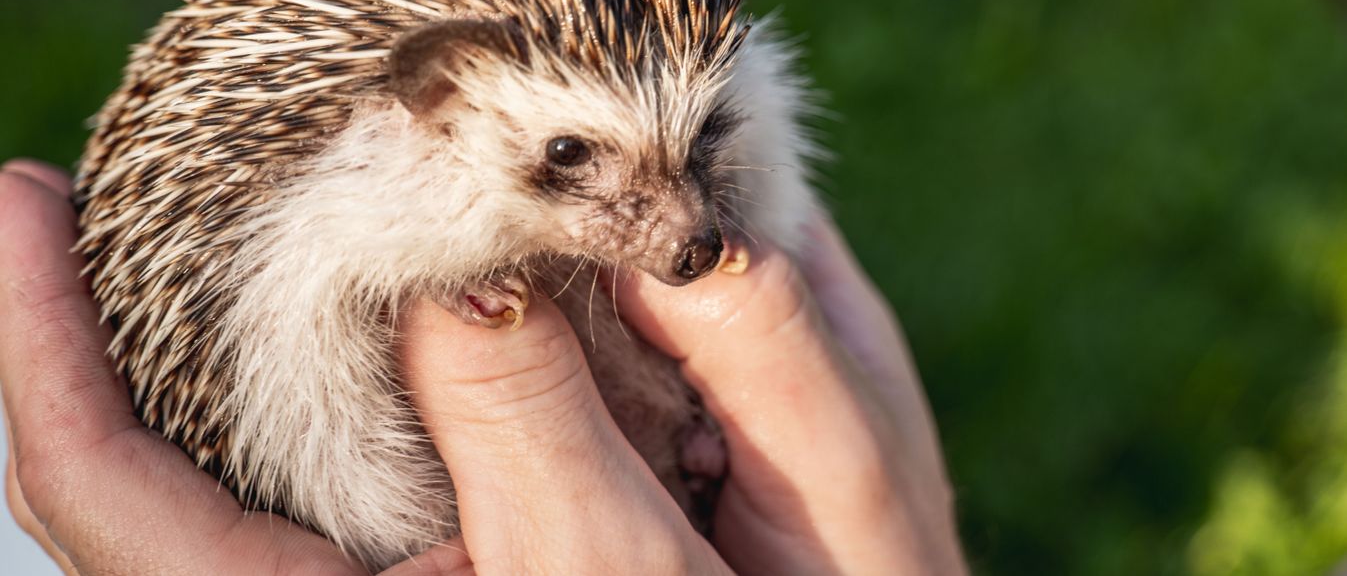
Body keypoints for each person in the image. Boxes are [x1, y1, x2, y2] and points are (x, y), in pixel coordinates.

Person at [0, 158, 966, 575]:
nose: (685, 232)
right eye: (570, 155)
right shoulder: (336, 205)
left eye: (694, 147)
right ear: (431, 100)